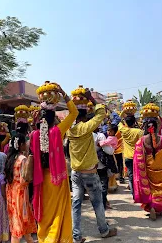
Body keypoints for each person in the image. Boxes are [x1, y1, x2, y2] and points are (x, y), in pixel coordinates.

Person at [67, 91, 117, 242]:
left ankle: (76, 236)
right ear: (86, 113)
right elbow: (101, 112)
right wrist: (90, 98)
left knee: (76, 204)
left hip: (75, 173)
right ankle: (103, 230)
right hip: (89, 173)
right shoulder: (87, 127)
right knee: (97, 203)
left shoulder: (69, 130)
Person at [31, 84, 78, 243]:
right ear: (54, 118)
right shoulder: (58, 131)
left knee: (45, 213)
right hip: (57, 179)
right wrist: (64, 94)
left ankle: (44, 238)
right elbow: (74, 113)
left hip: (41, 179)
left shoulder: (34, 135)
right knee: (58, 213)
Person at [133, 117, 162, 221]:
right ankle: (159, 208)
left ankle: (153, 206)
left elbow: (140, 157)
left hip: (149, 167)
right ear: (157, 127)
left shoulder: (142, 140)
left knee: (152, 188)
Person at [5, 134, 37, 243]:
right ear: (21, 145)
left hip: (11, 191)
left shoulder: (9, 158)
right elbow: (24, 179)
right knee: (19, 225)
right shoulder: (22, 159)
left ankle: (29, 240)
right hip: (21, 193)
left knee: (16, 222)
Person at [118, 114, 143, 197]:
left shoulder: (123, 130)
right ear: (134, 122)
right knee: (139, 176)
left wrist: (123, 116)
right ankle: (140, 193)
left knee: (131, 176)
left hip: (127, 157)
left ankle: (134, 195)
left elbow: (119, 122)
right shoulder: (139, 132)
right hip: (138, 157)